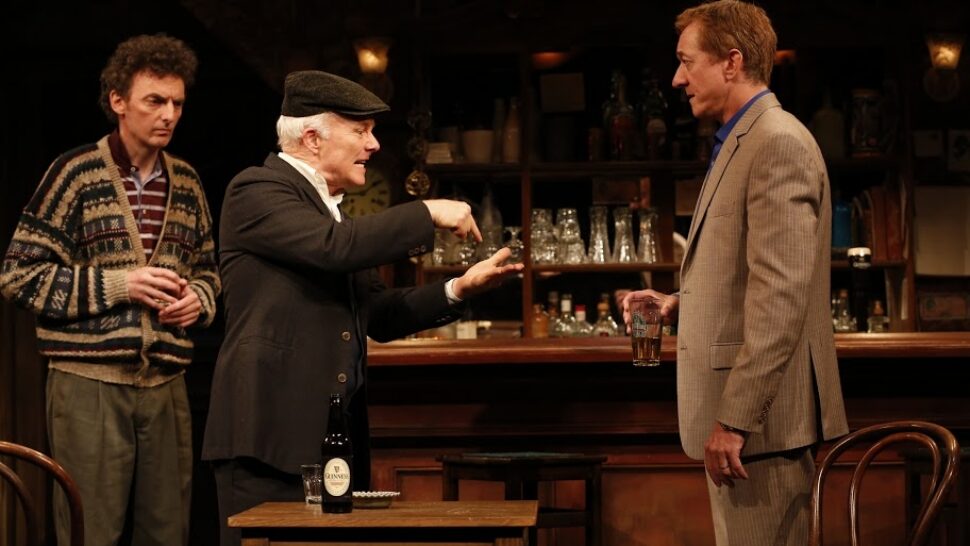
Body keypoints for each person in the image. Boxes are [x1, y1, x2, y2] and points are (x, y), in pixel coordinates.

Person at [201, 70, 523, 546]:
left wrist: (459, 289)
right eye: (361, 131)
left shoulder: (332, 213)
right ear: (312, 137)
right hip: (267, 440)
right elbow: (334, 247)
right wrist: (427, 211)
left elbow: (382, 313)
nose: (374, 145)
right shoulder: (256, 190)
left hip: (330, 446)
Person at [621, 2, 848, 544]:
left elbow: (781, 298)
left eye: (686, 62)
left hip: (763, 430)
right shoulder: (742, 139)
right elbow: (751, 277)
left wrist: (735, 421)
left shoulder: (777, 142)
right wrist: (680, 303)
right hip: (749, 432)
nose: (677, 79)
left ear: (731, 62)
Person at [0, 34, 220, 545]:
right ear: (118, 101)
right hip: (88, 383)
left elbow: (209, 270)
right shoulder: (75, 174)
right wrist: (122, 283)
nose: (169, 115)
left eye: (177, 103)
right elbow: (18, 276)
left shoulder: (187, 182)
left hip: (166, 384)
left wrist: (200, 300)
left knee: (168, 533)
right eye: (155, 101)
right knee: (90, 532)